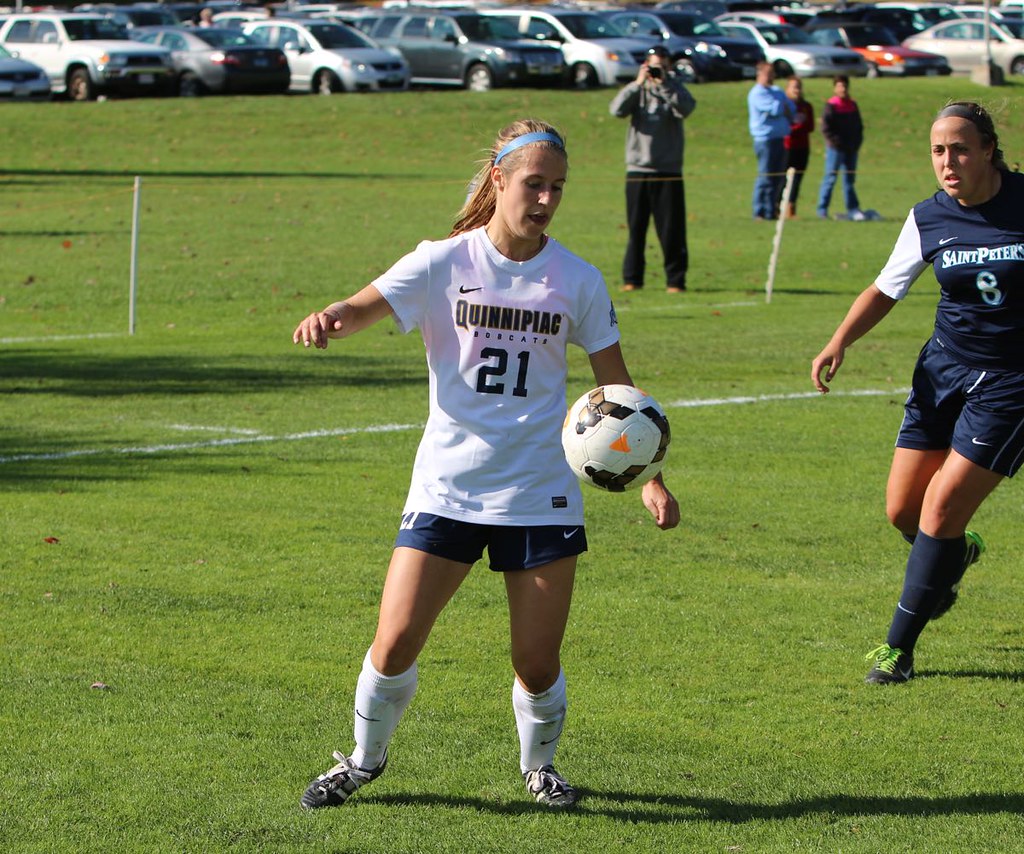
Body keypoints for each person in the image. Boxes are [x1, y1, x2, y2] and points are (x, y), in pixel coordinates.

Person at [292, 119, 680, 808]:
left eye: (557, 189)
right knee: (395, 642)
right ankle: (363, 759)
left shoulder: (577, 280)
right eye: (534, 184)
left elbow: (618, 396)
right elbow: (361, 308)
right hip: (449, 486)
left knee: (535, 660)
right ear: (498, 181)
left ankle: (541, 769)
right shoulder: (443, 262)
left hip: (540, 492)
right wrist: (329, 317)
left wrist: (649, 478)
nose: (546, 201)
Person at [810, 101, 1022, 685]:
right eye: (937, 151)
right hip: (942, 374)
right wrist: (839, 341)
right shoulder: (928, 217)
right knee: (903, 510)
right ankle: (955, 553)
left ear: (986, 150)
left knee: (940, 506)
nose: (948, 162)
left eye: (959, 149)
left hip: (1010, 385)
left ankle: (897, 651)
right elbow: (886, 287)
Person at [609, 45, 697, 294]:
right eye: (653, 66)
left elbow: (687, 108)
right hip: (638, 169)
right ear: (645, 65)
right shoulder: (637, 91)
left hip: (668, 170)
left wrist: (665, 85)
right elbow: (616, 110)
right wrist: (638, 83)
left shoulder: (674, 87)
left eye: (662, 65)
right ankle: (632, 278)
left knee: (672, 230)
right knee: (636, 228)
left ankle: (675, 281)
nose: (657, 70)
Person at [747, 61, 794, 221]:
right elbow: (777, 109)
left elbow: (791, 108)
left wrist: (784, 106)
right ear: (759, 74)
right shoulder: (757, 93)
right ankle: (759, 211)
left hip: (780, 138)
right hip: (765, 140)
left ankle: (771, 210)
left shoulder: (776, 91)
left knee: (778, 177)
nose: (771, 77)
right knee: (765, 176)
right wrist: (783, 106)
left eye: (772, 73)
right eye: (768, 73)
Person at [816, 75, 864, 221]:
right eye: (839, 86)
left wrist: (856, 143)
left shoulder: (852, 105)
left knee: (849, 179)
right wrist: (836, 142)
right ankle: (822, 209)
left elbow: (858, 127)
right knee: (830, 178)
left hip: (851, 148)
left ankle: (852, 208)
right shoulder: (831, 105)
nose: (842, 89)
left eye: (844, 86)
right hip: (835, 149)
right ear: (835, 88)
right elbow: (826, 128)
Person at [783, 76, 813, 220]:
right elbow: (785, 126)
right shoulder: (784, 106)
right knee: (783, 178)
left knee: (797, 179)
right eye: (793, 87)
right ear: (787, 89)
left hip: (803, 146)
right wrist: (798, 127)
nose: (797, 90)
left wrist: (799, 127)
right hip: (788, 146)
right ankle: (778, 206)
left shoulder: (806, 107)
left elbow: (810, 126)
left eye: (798, 87)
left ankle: (791, 207)